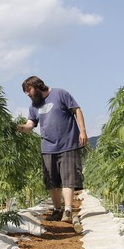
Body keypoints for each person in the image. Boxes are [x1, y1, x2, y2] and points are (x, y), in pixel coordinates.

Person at [16, 76, 87, 224]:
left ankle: (68, 210)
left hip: (67, 144)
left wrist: (83, 131)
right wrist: (17, 127)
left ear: (37, 86)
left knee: (68, 178)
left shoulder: (60, 94)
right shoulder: (34, 107)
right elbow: (30, 125)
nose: (28, 94)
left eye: (28, 90)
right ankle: (57, 210)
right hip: (48, 147)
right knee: (52, 180)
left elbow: (77, 110)